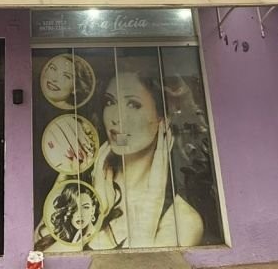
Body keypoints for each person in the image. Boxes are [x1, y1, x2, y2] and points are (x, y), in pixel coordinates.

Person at [86, 65, 207, 249]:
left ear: (163, 119)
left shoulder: (183, 222)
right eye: (110, 102)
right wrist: (97, 208)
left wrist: (151, 207)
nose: (116, 118)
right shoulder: (82, 188)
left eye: (133, 105)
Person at [34, 181, 101, 251]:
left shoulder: (96, 242)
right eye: (74, 207)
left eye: (85, 207)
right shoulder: (50, 236)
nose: (80, 214)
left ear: (93, 210)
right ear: (66, 210)